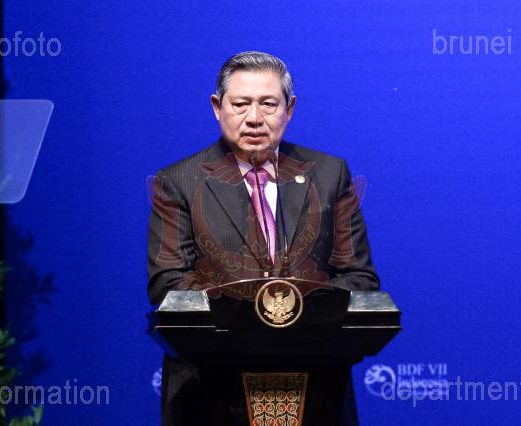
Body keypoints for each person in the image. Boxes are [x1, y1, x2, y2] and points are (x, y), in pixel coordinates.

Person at [148, 51, 379, 426]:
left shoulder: (329, 174)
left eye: (268, 104)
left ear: (290, 108)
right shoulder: (178, 182)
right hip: (209, 390)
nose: (254, 117)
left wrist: (293, 309)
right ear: (217, 107)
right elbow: (168, 284)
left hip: (316, 387)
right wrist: (253, 308)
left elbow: (359, 278)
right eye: (240, 104)